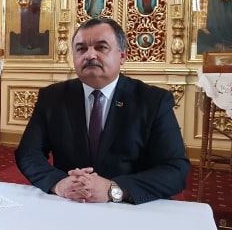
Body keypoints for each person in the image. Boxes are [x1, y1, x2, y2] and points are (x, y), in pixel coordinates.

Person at [15, 17, 189, 204]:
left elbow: (175, 170)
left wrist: (114, 189)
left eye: (101, 47)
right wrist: (58, 183)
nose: (90, 55)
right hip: (70, 204)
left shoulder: (153, 101)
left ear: (122, 56)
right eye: (81, 49)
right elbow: (28, 153)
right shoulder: (52, 97)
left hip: (131, 208)